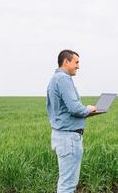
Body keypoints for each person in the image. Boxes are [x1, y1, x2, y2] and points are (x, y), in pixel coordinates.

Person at [46, 49, 96, 193]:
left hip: (60, 135)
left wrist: (86, 111)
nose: (78, 66)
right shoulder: (63, 79)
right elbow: (75, 108)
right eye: (76, 62)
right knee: (68, 185)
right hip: (69, 138)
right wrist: (89, 109)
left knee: (65, 182)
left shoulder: (54, 79)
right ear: (66, 61)